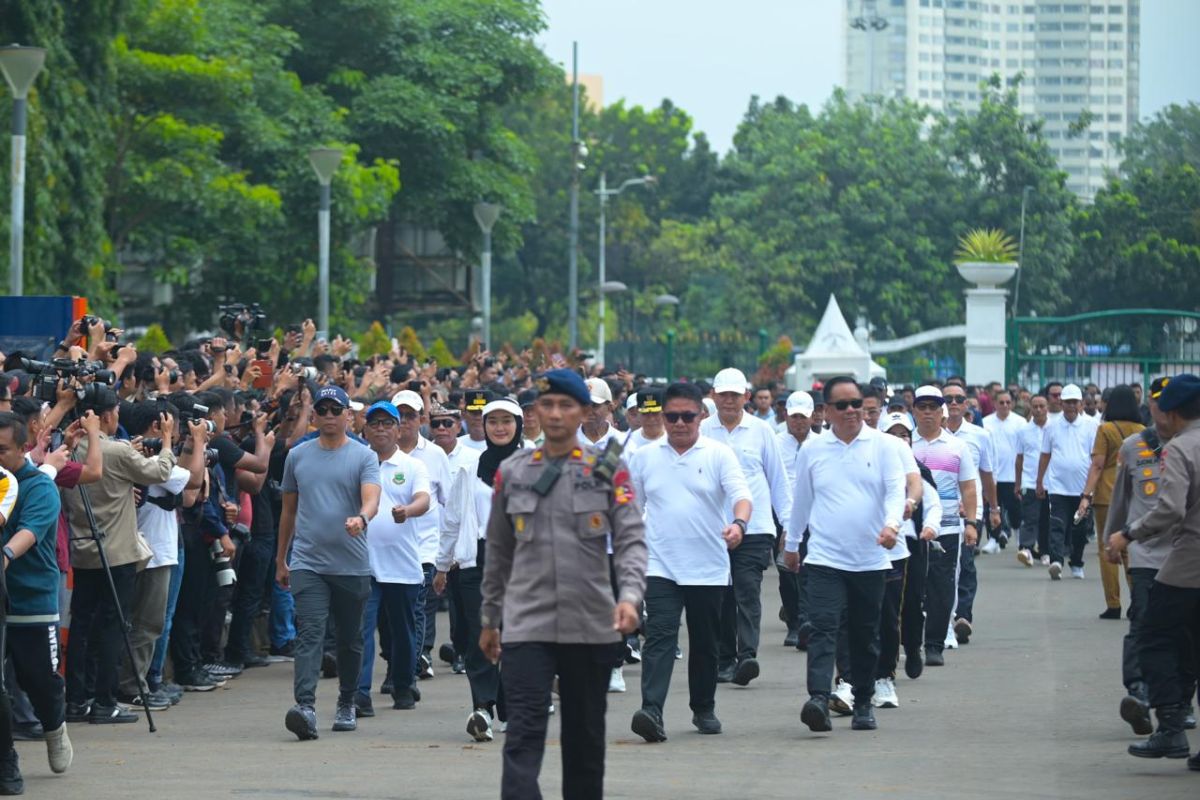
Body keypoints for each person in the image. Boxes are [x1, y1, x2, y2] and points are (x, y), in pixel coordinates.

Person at [480, 369, 647, 800]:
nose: (555, 415)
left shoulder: (608, 470)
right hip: (526, 626)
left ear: (583, 412)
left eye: (566, 405)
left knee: (585, 743)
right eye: (548, 405)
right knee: (522, 736)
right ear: (536, 411)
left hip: (589, 625)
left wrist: (629, 597)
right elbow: (498, 552)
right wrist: (489, 619)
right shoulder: (512, 473)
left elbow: (630, 540)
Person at [627, 381, 751, 741]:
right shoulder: (644, 457)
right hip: (660, 564)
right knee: (661, 635)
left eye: (687, 416)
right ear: (662, 418)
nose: (680, 423)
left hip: (708, 566)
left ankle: (704, 707)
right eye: (672, 416)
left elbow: (741, 495)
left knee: (705, 642)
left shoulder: (718, 454)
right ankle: (651, 709)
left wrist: (739, 524)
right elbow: (632, 510)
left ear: (701, 416)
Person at [785, 376, 906, 733]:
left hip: (870, 559)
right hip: (824, 558)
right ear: (827, 412)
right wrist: (792, 545)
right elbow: (801, 502)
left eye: (857, 403)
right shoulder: (813, 450)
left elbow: (895, 491)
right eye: (843, 405)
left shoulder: (883, 446)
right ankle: (819, 699)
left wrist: (891, 525)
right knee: (822, 628)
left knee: (864, 633)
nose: (852, 411)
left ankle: (864, 701)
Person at [62, 387, 178, 724]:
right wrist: (168, 441)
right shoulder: (115, 451)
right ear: (108, 415)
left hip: (83, 549)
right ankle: (105, 701)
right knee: (114, 626)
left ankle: (77, 701)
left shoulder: (68, 448)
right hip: (117, 553)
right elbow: (159, 472)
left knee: (82, 624)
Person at [276, 385, 381, 740]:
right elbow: (288, 510)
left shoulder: (364, 456)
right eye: (324, 410)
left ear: (349, 415)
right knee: (310, 634)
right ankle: (305, 707)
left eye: (337, 410)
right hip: (308, 561)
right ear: (315, 416)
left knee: (350, 640)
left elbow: (372, 499)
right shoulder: (298, 456)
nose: (331, 416)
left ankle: (347, 701)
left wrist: (361, 519)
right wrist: (281, 559)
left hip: (351, 564)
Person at [1107, 374, 1200, 768]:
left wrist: (1129, 533)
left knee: (1153, 637)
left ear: (1174, 413)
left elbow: (1171, 509)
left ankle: (1170, 728)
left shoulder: (1180, 448)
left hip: (1187, 564)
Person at [435, 397, 522, 742]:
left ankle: (512, 708)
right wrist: (442, 566)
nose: (500, 428)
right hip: (476, 562)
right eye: (493, 421)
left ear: (518, 424)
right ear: (483, 426)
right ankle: (483, 709)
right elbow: (453, 519)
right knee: (480, 638)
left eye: (507, 421)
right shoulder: (469, 470)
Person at [701, 367, 791, 687]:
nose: (728, 401)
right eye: (723, 394)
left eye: (734, 395)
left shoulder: (761, 431)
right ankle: (725, 659)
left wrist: (789, 529)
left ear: (746, 398)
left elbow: (778, 480)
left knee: (746, 590)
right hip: (713, 528)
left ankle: (746, 655)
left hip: (755, 528)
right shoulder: (701, 431)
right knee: (721, 595)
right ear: (713, 396)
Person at [0, 413, 72, 790]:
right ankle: (6, 761)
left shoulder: (39, 487)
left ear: (24, 448)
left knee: (39, 680)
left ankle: (53, 726)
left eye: (2, 451)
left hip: (31, 599)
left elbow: (29, 531)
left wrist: (6, 556)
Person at [356, 401, 431, 717]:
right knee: (362, 630)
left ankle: (403, 685)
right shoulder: (358, 463)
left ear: (399, 429)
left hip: (401, 563)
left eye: (388, 423)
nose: (381, 429)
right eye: (375, 424)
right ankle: (358, 693)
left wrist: (408, 511)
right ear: (366, 430)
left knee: (402, 631)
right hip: (363, 562)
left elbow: (424, 499)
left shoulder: (412, 466)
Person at [911, 385, 978, 668]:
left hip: (947, 528)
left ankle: (935, 643)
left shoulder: (957, 447)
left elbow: (969, 488)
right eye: (922, 407)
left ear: (942, 412)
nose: (927, 412)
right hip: (909, 529)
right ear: (914, 410)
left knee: (941, 587)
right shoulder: (903, 444)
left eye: (933, 407)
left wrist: (972, 523)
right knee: (912, 589)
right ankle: (911, 641)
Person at [877, 412, 941, 705]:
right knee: (884, 606)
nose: (899, 439)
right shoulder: (876, 466)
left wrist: (930, 526)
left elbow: (933, 504)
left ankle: (913, 646)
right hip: (881, 545)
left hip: (913, 545)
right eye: (893, 433)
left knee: (913, 600)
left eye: (904, 434)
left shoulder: (919, 471)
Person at [391, 390, 451, 685]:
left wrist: (447, 552)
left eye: (411, 415)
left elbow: (447, 502)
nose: (404, 421)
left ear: (421, 419)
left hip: (425, 546)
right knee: (389, 614)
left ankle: (410, 667)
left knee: (417, 605)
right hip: (387, 548)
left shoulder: (435, 454)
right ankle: (398, 662)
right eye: (398, 415)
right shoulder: (375, 452)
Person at [1077, 385, 1144, 619]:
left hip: (1107, 494)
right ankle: (1138, 601)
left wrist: (1086, 495)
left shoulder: (1105, 429)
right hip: (1135, 494)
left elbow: (1097, 465)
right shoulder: (1143, 430)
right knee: (1130, 547)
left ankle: (1113, 604)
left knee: (1107, 547)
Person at [941, 382, 999, 646]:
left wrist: (994, 509)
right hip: (938, 512)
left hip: (971, 511)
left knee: (964, 563)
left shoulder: (979, 435)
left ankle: (962, 616)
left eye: (958, 399)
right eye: (948, 399)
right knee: (939, 568)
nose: (953, 403)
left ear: (967, 404)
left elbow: (987, 476)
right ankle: (939, 618)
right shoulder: (925, 437)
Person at [1037, 383, 1101, 580]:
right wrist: (1040, 481)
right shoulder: (1052, 426)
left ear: (1080, 403)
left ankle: (1076, 561)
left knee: (1080, 529)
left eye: (1074, 402)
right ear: (1061, 403)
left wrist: (1091, 489)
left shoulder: (1091, 425)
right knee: (1056, 524)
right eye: (1067, 402)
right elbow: (1045, 455)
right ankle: (1057, 561)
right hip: (1058, 486)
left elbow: (1095, 458)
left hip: (1082, 488)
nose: (1071, 406)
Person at [776, 391, 815, 648]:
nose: (798, 422)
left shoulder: (821, 444)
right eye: (794, 417)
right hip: (782, 517)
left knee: (810, 571)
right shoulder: (775, 442)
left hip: (814, 517)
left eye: (803, 417)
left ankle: (806, 622)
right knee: (787, 572)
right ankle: (793, 622)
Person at [982, 390, 1026, 550]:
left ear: (1012, 403)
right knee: (992, 508)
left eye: (1008, 402)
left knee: (1015, 511)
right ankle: (994, 539)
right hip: (992, 475)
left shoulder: (1020, 423)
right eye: (1001, 402)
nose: (1005, 405)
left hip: (1012, 475)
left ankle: (1020, 536)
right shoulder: (986, 422)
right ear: (995, 404)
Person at [1014, 393, 1052, 567]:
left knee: (1047, 519)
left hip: (1052, 482)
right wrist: (1018, 483)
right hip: (1029, 481)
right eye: (1035, 406)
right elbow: (1019, 458)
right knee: (1030, 517)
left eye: (1041, 406)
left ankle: (1045, 551)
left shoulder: (1055, 428)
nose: (1038, 410)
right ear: (1030, 407)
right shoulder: (1023, 430)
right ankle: (1027, 549)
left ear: (1047, 407)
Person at [579, 378, 619, 448]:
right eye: (584, 405)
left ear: (609, 408)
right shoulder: (565, 441)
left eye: (594, 405)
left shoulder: (622, 443)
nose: (588, 411)